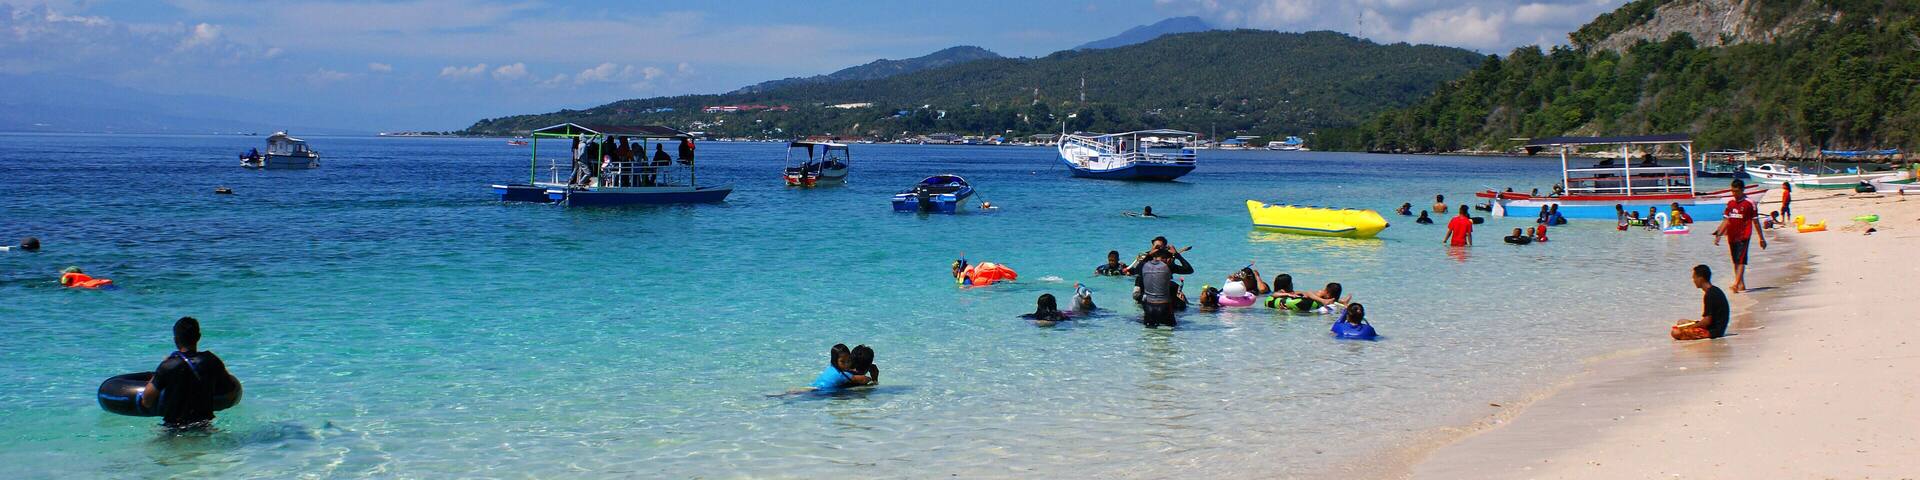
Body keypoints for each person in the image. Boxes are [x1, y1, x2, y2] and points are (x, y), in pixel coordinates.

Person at [141, 317, 233, 430]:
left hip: (174, 429)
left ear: (175, 339)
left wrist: (160, 371)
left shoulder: (168, 366)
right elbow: (230, 389)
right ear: (198, 337)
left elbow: (146, 401)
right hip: (204, 427)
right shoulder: (212, 360)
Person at [1712, 180, 1767, 293]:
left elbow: (1756, 222)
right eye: (1732, 191)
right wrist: (1719, 234)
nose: (1734, 193)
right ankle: (1741, 284)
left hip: (1744, 235)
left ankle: (1736, 284)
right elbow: (1726, 220)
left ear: (1742, 190)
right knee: (1735, 260)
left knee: (1741, 260)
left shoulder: (1750, 203)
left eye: (1736, 191)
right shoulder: (1730, 203)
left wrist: (1761, 238)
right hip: (1732, 235)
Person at [1130, 244, 1194, 327]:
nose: (1167, 260)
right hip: (1164, 306)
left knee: (1149, 332)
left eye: (1167, 258)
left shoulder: (1147, 266)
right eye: (1164, 258)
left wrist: (1150, 254)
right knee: (1168, 331)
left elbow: (1137, 269)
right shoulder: (1167, 267)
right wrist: (1177, 255)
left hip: (1149, 307)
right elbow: (1189, 269)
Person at [1671, 265, 1731, 340]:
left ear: (1701, 279)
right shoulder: (1715, 290)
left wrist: (1690, 327)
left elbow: (1707, 321)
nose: (1694, 281)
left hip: (1713, 332)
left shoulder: (1710, 295)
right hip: (1716, 327)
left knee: (1675, 332)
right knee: (1681, 322)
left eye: (1694, 278)